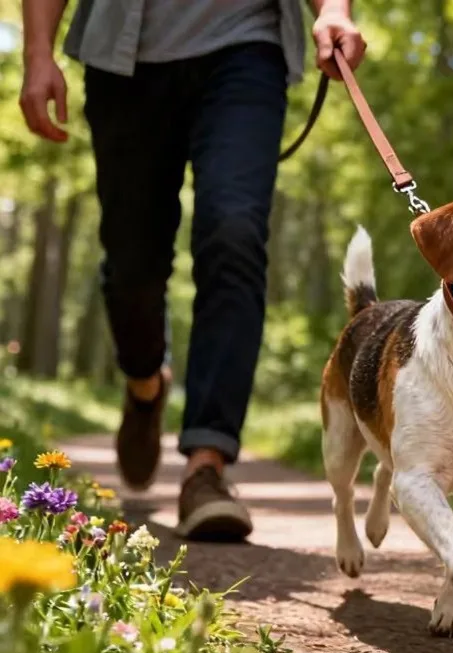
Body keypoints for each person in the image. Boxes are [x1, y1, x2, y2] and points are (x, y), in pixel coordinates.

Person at [19, 0, 365, 540]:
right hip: (122, 55)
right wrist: (37, 53)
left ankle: (208, 466)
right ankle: (143, 385)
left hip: (246, 47)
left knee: (234, 232)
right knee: (133, 260)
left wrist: (334, 10)